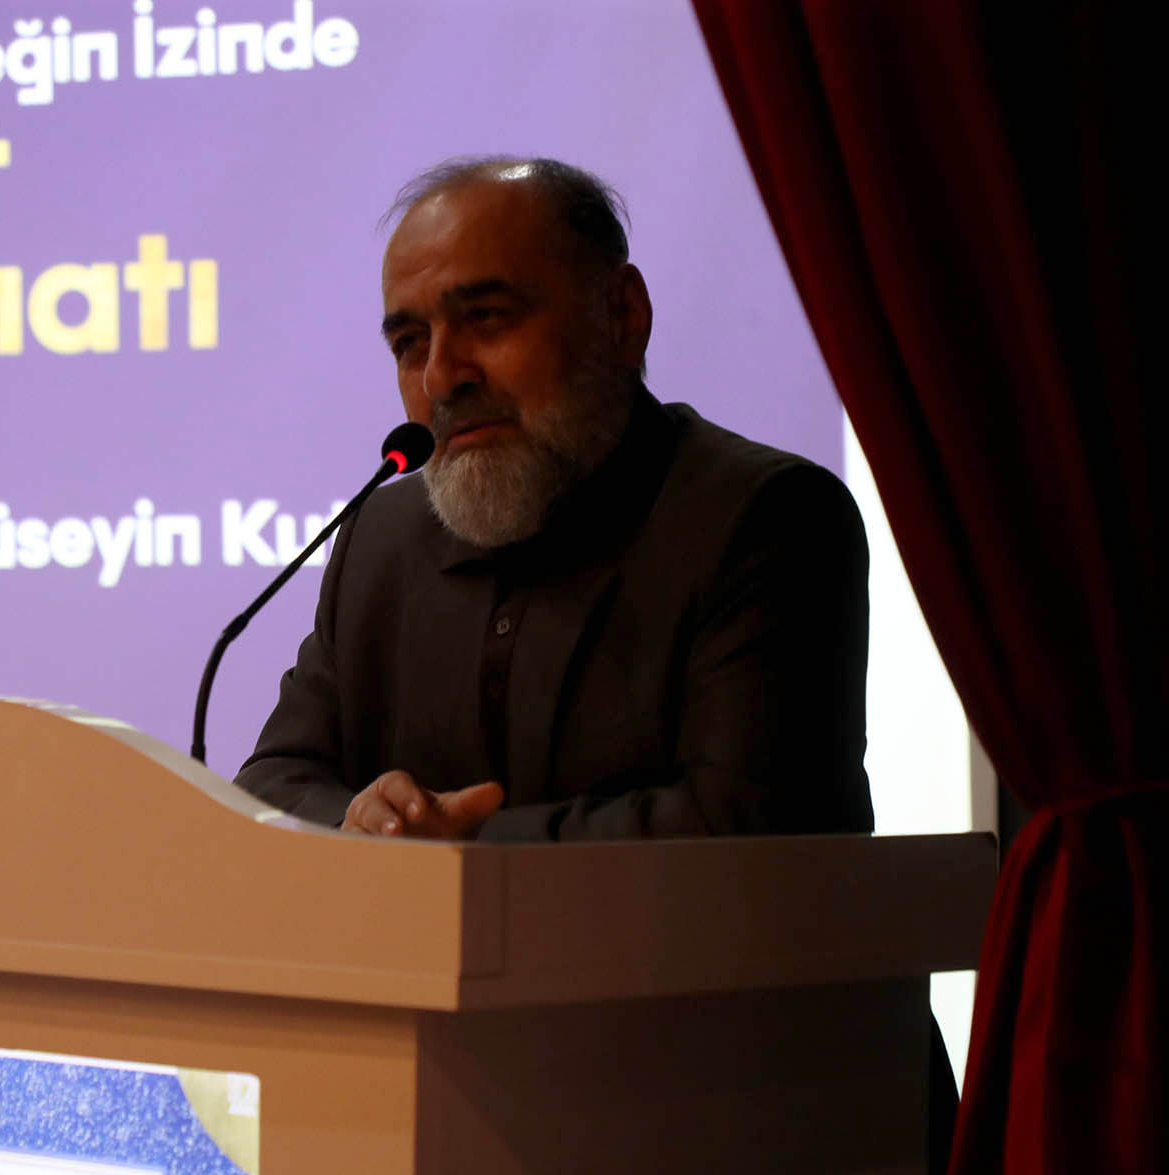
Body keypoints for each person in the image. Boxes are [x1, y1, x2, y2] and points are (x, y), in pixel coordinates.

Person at [236, 156, 874, 842]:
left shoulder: (767, 519)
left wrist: (454, 850)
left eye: (486, 318)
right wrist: (360, 821)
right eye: (410, 343)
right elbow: (274, 783)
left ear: (621, 314)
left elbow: (745, 823)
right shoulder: (381, 538)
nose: (442, 378)